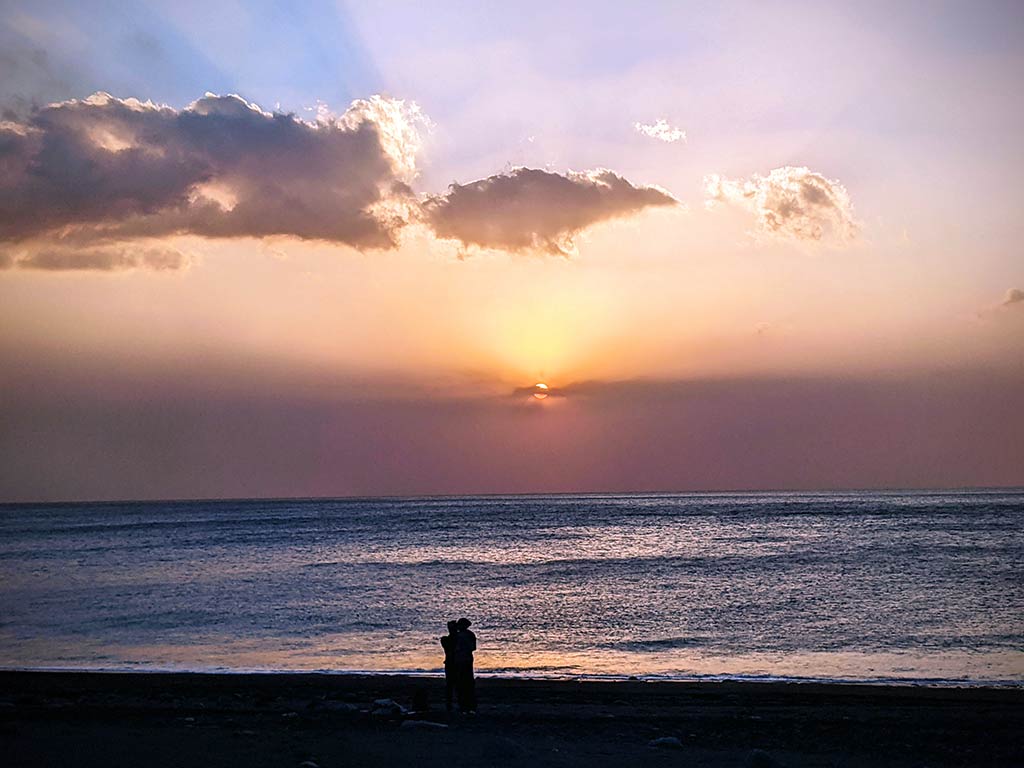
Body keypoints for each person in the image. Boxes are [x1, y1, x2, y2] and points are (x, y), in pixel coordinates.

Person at [454, 617, 477, 713]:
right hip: (465, 659)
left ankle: (465, 704)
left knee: (464, 682)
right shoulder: (467, 634)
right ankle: (466, 704)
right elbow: (473, 647)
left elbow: (472, 647)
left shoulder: (463, 635)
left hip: (464, 660)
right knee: (465, 682)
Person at [439, 620, 459, 711]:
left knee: (451, 685)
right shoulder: (448, 640)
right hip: (454, 663)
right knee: (453, 685)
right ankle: (451, 704)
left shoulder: (447, 639)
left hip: (452, 663)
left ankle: (450, 704)